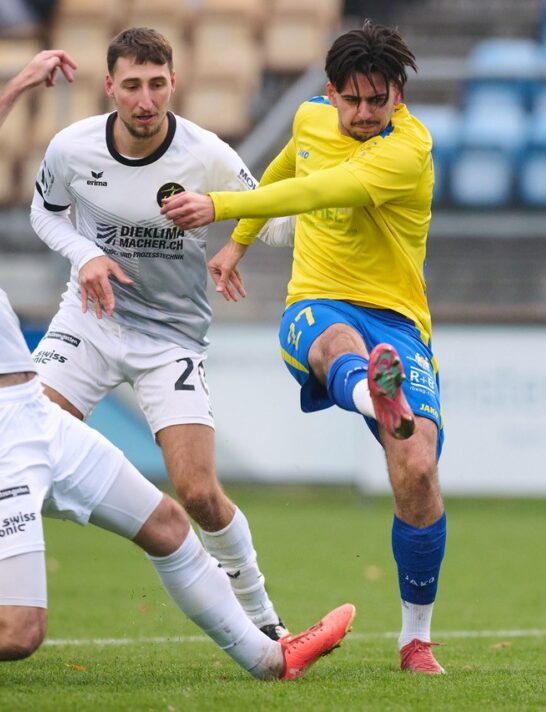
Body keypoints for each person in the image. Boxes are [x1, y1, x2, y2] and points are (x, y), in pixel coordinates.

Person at [0, 49, 352, 684]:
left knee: (168, 520)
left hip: (34, 404)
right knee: (18, 632)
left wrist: (19, 86)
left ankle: (272, 657)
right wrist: (84, 254)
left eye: (158, 83)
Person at [162, 21, 447, 675]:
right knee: (338, 342)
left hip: (401, 325)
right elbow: (285, 170)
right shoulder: (310, 118)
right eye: (353, 100)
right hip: (316, 306)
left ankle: (415, 640)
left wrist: (221, 207)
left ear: (398, 97)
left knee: (419, 472)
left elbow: (320, 191)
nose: (365, 113)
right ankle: (372, 393)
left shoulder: (409, 150)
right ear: (331, 91)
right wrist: (238, 242)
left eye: (379, 100)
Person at [22, 26, 293, 641]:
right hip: (90, 320)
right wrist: (83, 255)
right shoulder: (72, 148)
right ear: (110, 86)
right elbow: (44, 210)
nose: (145, 100)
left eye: (156, 85)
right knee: (18, 450)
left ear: (174, 83)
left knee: (197, 492)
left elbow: (273, 225)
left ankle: (263, 618)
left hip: (170, 337)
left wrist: (237, 212)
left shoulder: (207, 155)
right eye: (132, 86)